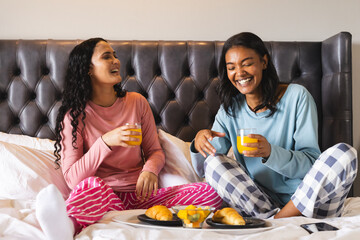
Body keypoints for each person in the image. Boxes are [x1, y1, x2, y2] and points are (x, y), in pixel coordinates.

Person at [35, 38, 222, 240]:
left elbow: (155, 151)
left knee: (210, 191)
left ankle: (171, 217)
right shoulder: (74, 116)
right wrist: (105, 142)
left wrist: (150, 171)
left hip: (143, 196)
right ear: (88, 69)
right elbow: (73, 178)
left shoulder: (137, 103)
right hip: (105, 198)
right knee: (89, 187)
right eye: (107, 56)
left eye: (115, 55)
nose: (116, 60)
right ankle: (66, 226)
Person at [190, 32, 357, 219]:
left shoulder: (297, 97)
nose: (239, 73)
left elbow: (310, 163)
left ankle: (278, 221)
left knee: (346, 153)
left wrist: (270, 152)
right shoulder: (230, 110)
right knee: (214, 164)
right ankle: (276, 220)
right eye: (231, 67)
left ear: (264, 62)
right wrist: (199, 142)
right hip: (261, 204)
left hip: (311, 202)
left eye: (247, 64)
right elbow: (205, 166)